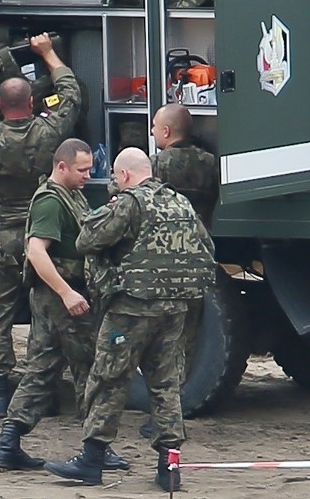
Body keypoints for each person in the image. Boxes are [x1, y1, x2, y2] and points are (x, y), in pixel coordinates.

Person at [44, 147, 215, 492]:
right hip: (175, 309)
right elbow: (206, 249)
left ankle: (92, 459)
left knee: (108, 379)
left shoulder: (129, 203)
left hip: (131, 309)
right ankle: (169, 466)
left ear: (123, 176)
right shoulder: (180, 203)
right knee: (166, 385)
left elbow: (86, 240)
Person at [0, 34, 82, 416]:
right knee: (42, 315)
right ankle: (41, 394)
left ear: (0, 104)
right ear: (31, 103)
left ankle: (0, 394)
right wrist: (48, 54)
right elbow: (71, 96)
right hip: (37, 234)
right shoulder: (47, 132)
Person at [0, 138, 129, 472]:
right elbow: (36, 251)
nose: (87, 175)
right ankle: (97, 447)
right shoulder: (51, 202)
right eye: (82, 170)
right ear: (61, 166)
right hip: (63, 299)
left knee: (42, 370)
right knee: (91, 371)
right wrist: (67, 293)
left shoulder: (71, 195)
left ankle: (9, 442)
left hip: (59, 299)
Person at [139, 102, 219, 438]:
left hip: (162, 267)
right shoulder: (211, 165)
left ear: (167, 132)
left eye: (156, 126)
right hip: (197, 263)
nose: (153, 131)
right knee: (187, 341)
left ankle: (164, 420)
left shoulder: (156, 165)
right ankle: (177, 412)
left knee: (160, 348)